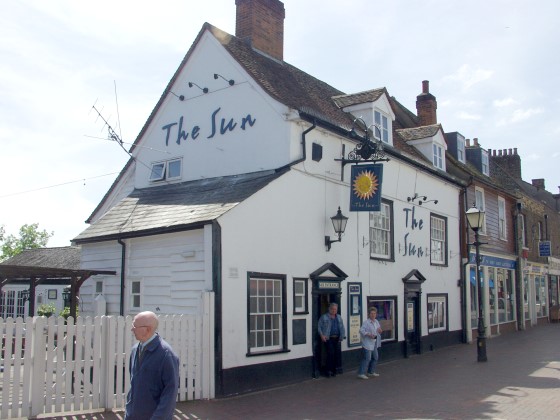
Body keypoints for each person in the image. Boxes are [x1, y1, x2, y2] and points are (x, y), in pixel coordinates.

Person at [125, 311, 180, 420]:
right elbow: (134, 384)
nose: (132, 329)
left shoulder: (166, 355)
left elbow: (170, 393)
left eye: (135, 326)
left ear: (148, 329)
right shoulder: (135, 350)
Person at [318, 302, 346, 377]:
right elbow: (319, 327)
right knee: (330, 353)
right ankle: (328, 371)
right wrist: (322, 336)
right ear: (329, 309)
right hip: (328, 338)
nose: (334, 310)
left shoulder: (339, 317)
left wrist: (342, 336)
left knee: (336, 354)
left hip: (337, 338)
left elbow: (342, 327)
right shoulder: (324, 317)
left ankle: (334, 370)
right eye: (332, 309)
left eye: (335, 309)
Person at [357, 307, 382, 379]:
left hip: (374, 342)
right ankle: (361, 373)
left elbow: (378, 329)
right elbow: (361, 330)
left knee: (375, 357)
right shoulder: (366, 322)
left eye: (374, 313)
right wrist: (369, 334)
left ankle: (371, 372)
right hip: (367, 343)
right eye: (371, 313)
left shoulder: (376, 321)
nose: (373, 315)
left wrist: (379, 330)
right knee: (367, 358)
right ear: (369, 314)